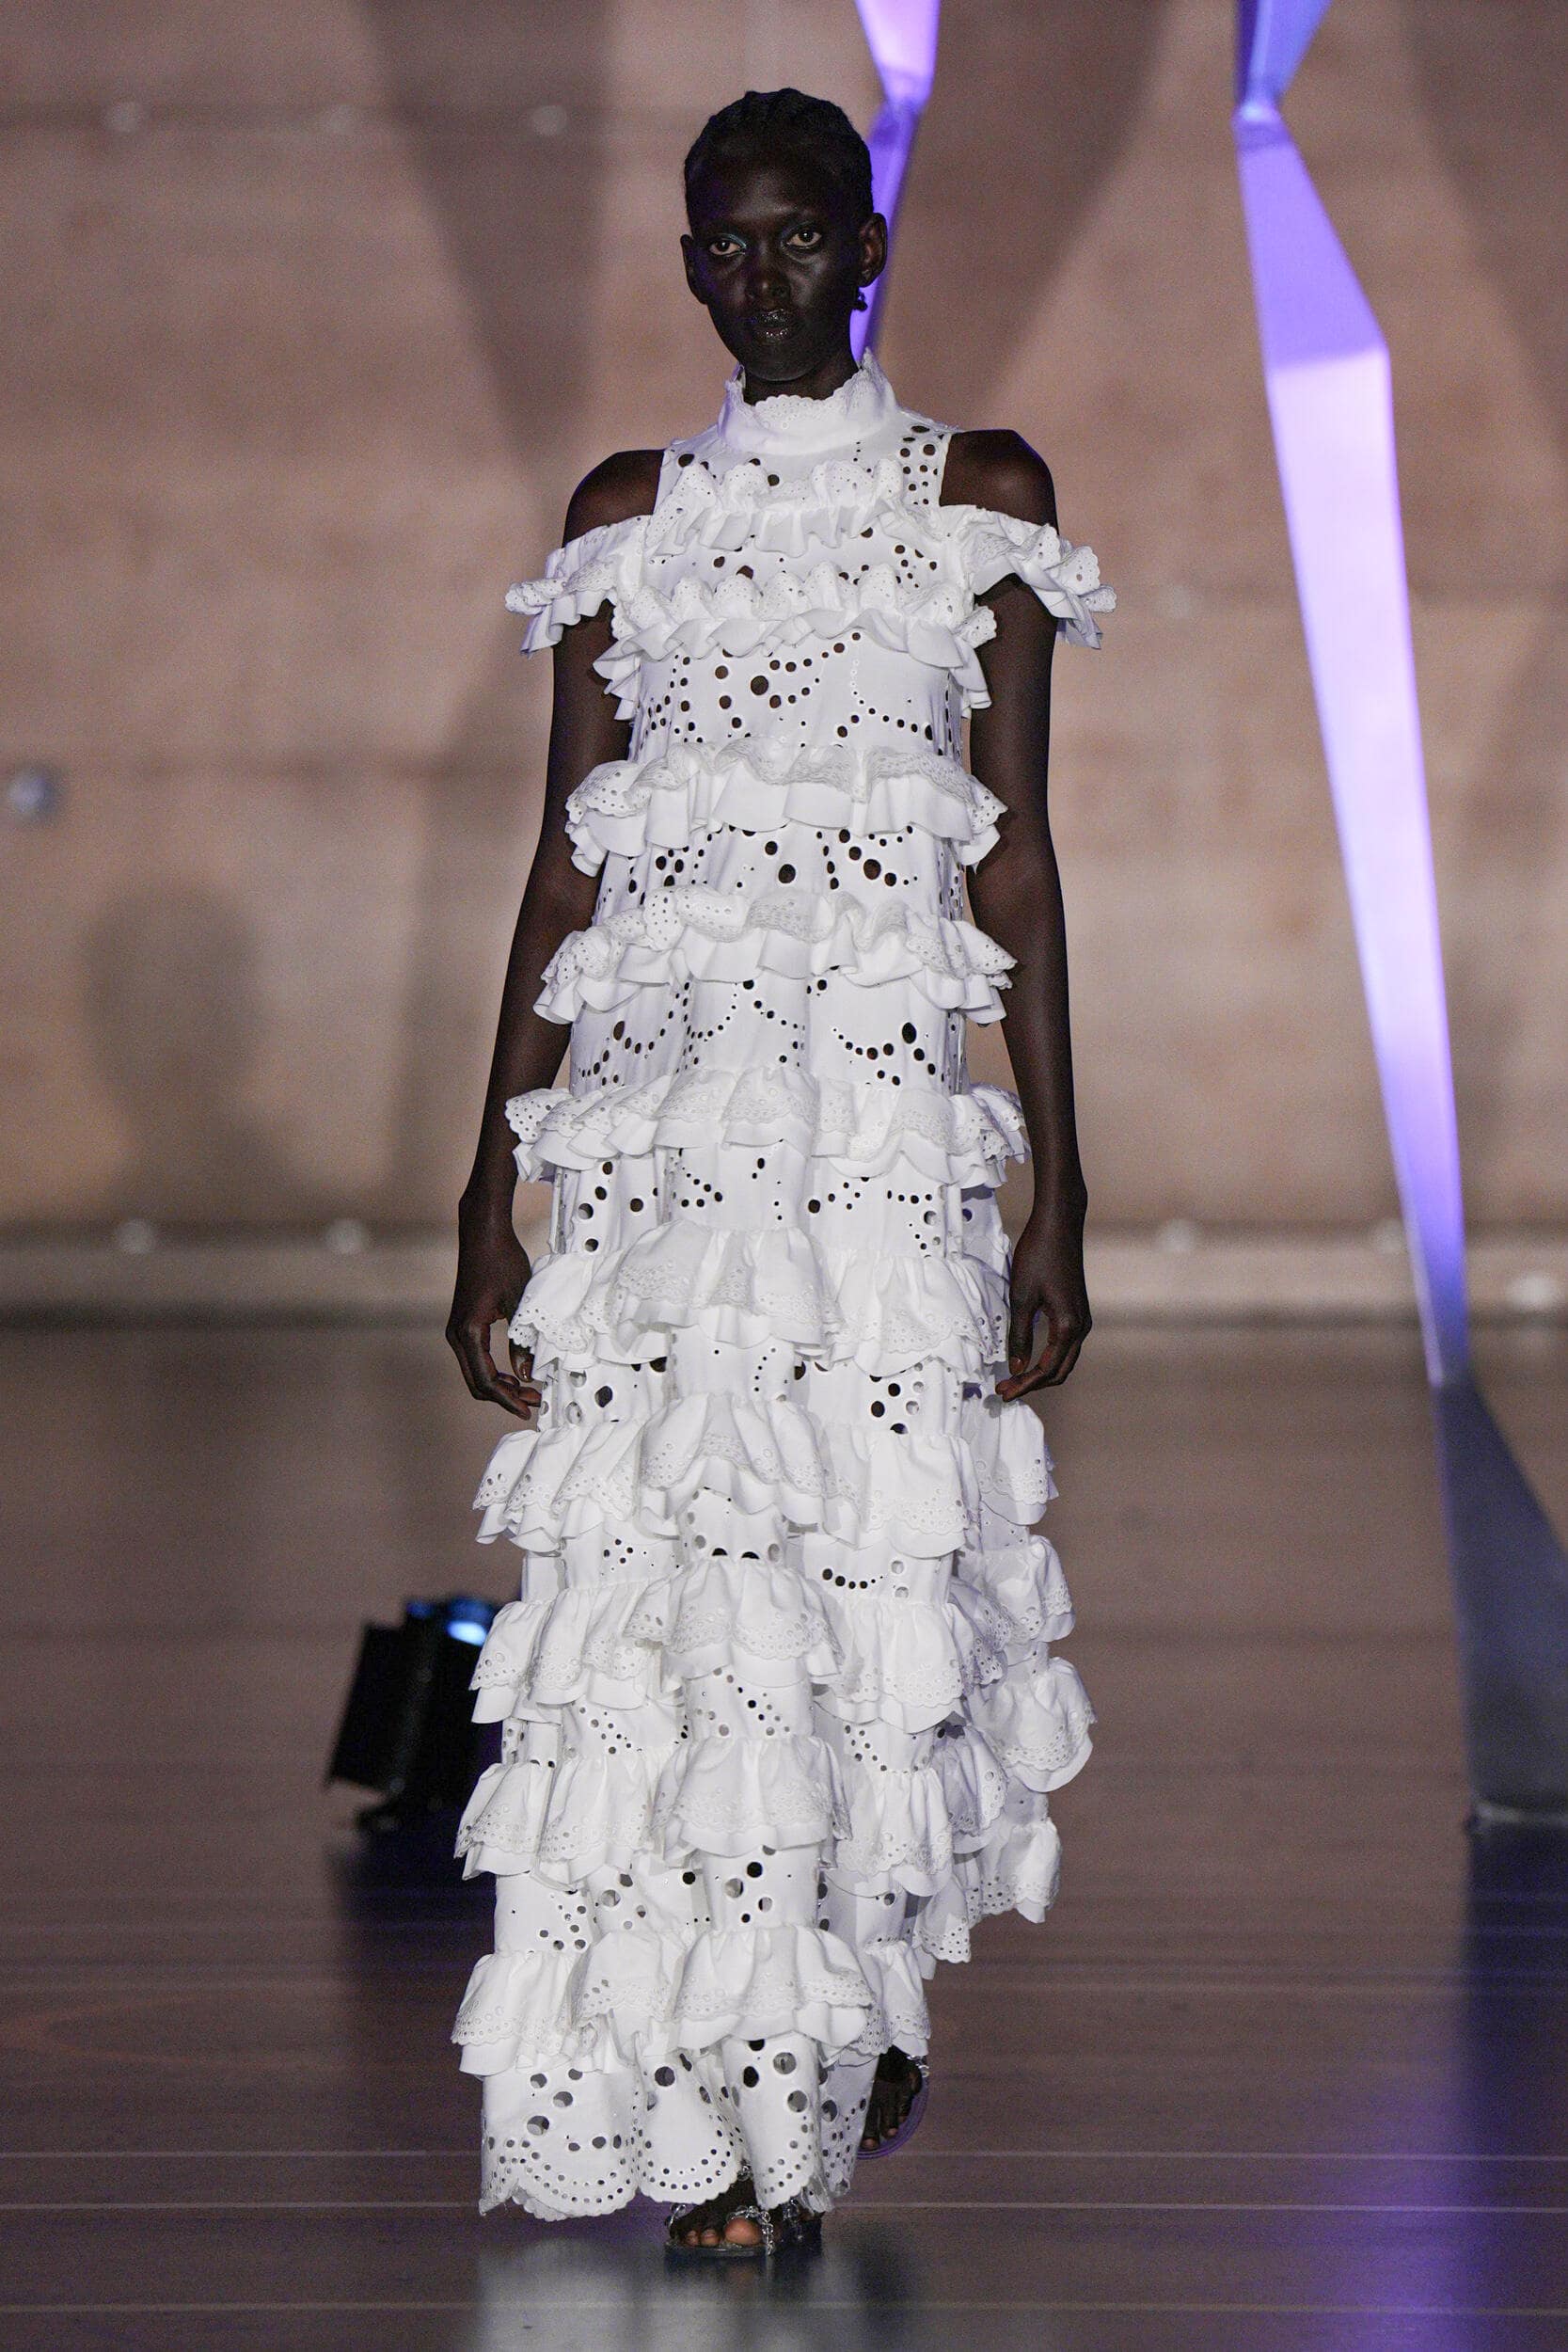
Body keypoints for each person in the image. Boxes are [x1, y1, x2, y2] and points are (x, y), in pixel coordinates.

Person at [445, 86, 1111, 2258]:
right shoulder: (627, 519)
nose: (761, 276)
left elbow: (1016, 866)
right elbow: (567, 865)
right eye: (722, 246)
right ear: (688, 270)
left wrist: (1063, 1190)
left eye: (798, 233)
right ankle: (744, 2122)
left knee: (866, 1579)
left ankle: (851, 1994)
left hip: (884, 1150)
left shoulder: (978, 501)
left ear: (868, 242)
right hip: (665, 1158)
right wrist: (485, 1186)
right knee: (686, 1598)